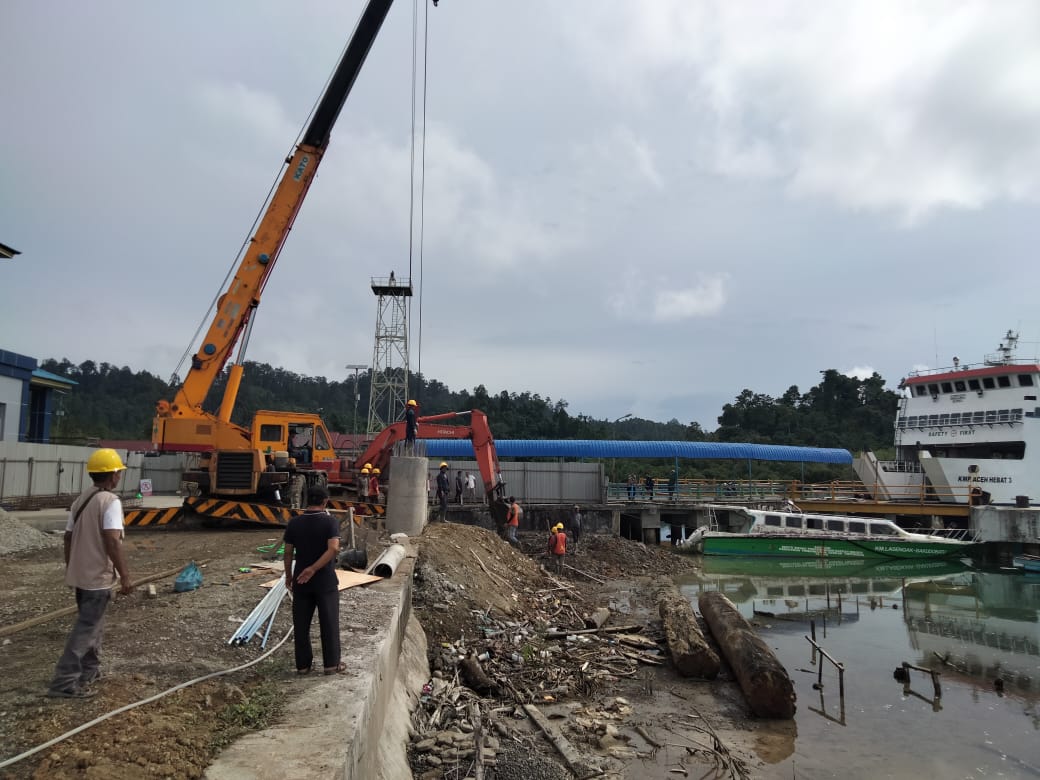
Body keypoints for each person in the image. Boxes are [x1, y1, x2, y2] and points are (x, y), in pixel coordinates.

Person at [48, 448, 134, 698]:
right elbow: (112, 541)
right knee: (86, 628)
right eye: (118, 472)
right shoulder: (110, 502)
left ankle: (90, 670)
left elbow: (67, 537)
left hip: (81, 577)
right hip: (97, 578)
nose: (119, 476)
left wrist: (71, 566)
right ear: (114, 475)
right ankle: (64, 682)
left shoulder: (81, 500)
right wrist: (125, 576)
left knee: (94, 625)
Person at [283, 485, 344, 675]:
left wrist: (289, 575)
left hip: (301, 580)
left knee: (301, 625)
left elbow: (287, 552)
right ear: (325, 502)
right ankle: (331, 665)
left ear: (306, 500)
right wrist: (314, 569)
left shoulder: (294, 523)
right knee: (329, 623)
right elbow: (333, 549)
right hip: (325, 581)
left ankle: (303, 666)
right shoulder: (330, 522)